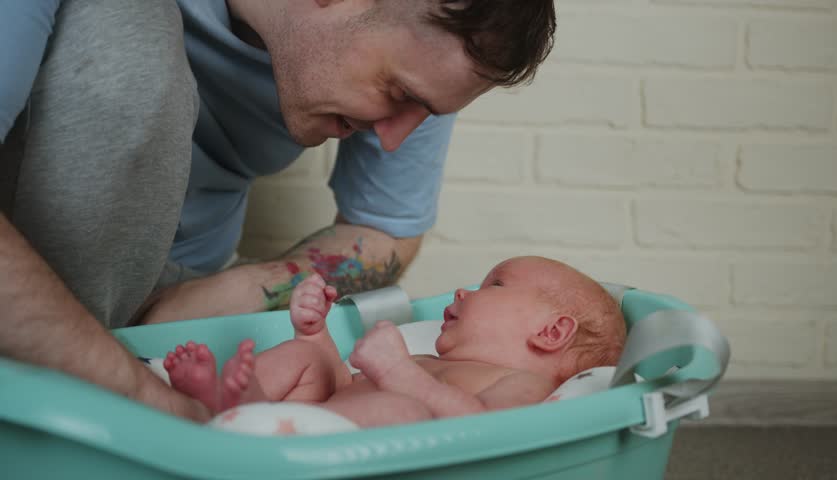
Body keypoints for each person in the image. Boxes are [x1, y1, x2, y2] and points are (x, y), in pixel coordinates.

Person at [0, 0, 555, 421]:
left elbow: (385, 228)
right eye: (398, 92)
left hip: (182, 307)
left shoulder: (426, 49)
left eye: (425, 110)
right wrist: (139, 395)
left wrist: (260, 285)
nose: (396, 140)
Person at [164, 256, 627, 427]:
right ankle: (238, 403)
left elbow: (485, 427)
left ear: (551, 333)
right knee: (304, 357)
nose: (464, 291)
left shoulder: (521, 385)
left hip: (341, 451)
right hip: (312, 417)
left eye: (495, 286)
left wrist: (400, 374)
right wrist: (314, 330)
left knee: (405, 410)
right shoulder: (423, 356)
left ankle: (248, 419)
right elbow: (342, 387)